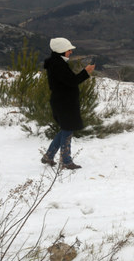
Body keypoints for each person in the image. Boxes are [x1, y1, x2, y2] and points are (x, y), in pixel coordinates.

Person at [40, 37, 95, 170]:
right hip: (64, 103)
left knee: (66, 128)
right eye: (68, 49)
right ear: (61, 50)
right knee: (67, 129)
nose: (70, 52)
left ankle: (49, 155)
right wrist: (86, 72)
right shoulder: (58, 64)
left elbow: (68, 81)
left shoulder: (56, 63)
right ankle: (66, 160)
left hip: (62, 101)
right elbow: (72, 81)